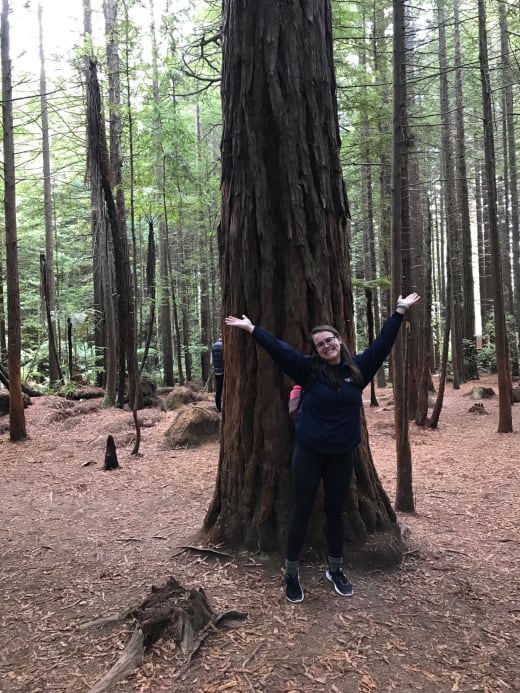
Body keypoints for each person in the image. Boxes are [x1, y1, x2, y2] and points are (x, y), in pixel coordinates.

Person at [225, 292, 420, 603]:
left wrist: (398, 312)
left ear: (339, 340)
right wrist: (252, 329)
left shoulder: (358, 369)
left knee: (335, 511)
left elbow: (383, 344)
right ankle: (290, 573)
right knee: (301, 509)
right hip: (310, 453)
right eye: (320, 344)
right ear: (316, 350)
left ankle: (336, 569)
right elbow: (281, 351)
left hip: (342, 454)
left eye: (330, 341)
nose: (327, 346)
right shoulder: (309, 369)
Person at [211, 336, 224, 412]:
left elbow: (211, 361)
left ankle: (218, 407)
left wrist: (214, 368)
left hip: (217, 372)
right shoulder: (224, 346)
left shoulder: (213, 346)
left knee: (218, 389)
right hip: (224, 372)